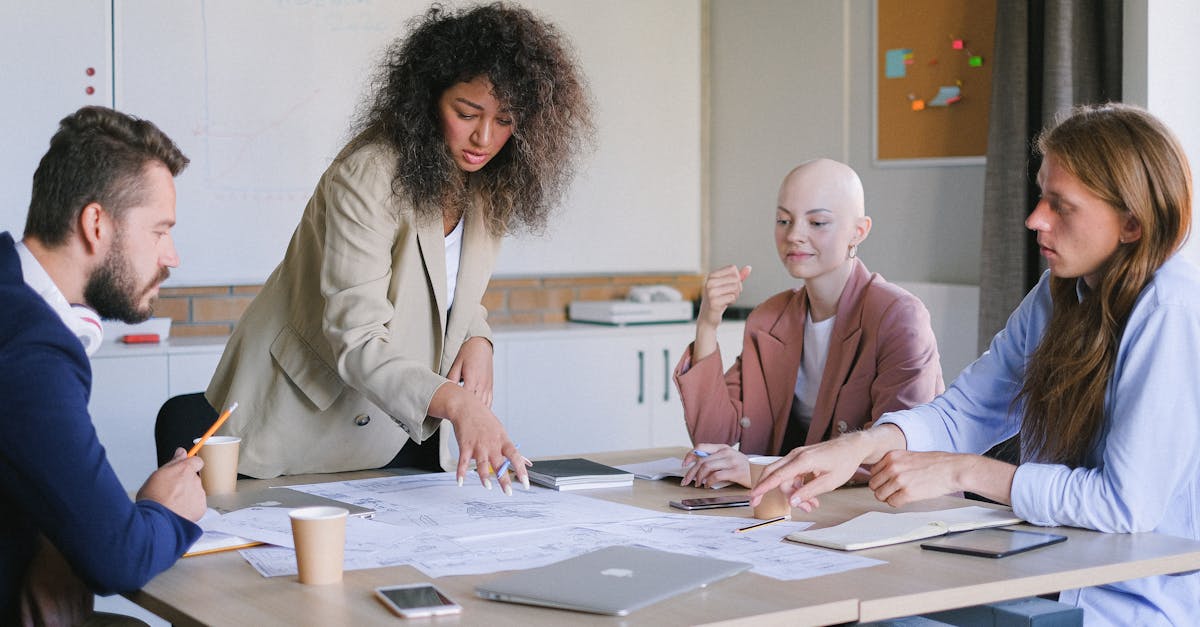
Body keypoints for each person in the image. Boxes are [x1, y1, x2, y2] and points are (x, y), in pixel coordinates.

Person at [752, 104, 1199, 625]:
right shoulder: (1059, 295)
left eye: (1061, 205)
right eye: (1040, 197)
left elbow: (1125, 507)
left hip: (1132, 604)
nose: (1035, 219)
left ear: (1131, 223)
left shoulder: (1169, 309)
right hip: (1051, 577)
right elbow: (966, 410)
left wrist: (965, 471)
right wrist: (857, 447)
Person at [204, 3, 592, 492]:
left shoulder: (490, 180)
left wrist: (478, 337)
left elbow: (445, 284)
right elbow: (358, 336)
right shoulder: (369, 176)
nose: (484, 137)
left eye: (506, 120)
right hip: (297, 424)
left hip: (390, 430)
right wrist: (459, 403)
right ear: (429, 99)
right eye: (466, 113)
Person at [0, 106, 206, 625]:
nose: (172, 256)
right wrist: (166, 509)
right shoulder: (30, 349)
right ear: (96, 224)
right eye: (160, 231)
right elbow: (120, 557)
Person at [677, 158, 944, 488]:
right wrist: (707, 325)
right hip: (790, 512)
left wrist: (761, 472)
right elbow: (712, 437)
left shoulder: (898, 316)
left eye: (817, 222)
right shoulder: (768, 319)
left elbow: (899, 453)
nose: (794, 235)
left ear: (858, 231)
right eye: (783, 220)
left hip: (883, 515)